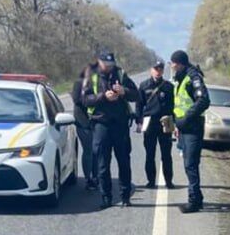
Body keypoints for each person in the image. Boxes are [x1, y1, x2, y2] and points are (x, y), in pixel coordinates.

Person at [79, 51, 139, 207]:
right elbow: (85, 100)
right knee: (102, 163)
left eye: (112, 64)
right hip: (101, 124)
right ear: (99, 62)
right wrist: (103, 96)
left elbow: (137, 95)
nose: (110, 67)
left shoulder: (121, 74)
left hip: (120, 124)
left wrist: (124, 91)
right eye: (107, 65)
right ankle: (106, 198)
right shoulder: (91, 77)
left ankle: (125, 196)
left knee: (124, 161)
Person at [169, 49, 209, 213]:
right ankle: (197, 198)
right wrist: (177, 125)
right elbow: (179, 104)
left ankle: (193, 201)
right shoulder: (180, 79)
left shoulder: (193, 77)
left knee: (190, 164)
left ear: (178, 63)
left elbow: (204, 100)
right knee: (188, 165)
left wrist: (186, 118)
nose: (171, 66)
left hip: (192, 127)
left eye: (172, 63)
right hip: (184, 128)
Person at [136, 61, 175, 189]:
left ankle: (168, 181)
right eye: (156, 69)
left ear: (163, 71)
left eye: (160, 69)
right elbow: (139, 105)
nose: (158, 71)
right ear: (151, 70)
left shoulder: (169, 86)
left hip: (165, 122)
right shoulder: (143, 85)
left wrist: (173, 123)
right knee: (150, 154)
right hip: (150, 123)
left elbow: (173, 106)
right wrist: (139, 121)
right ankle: (151, 181)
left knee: (166, 154)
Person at [70, 61, 99, 191]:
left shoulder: (99, 83)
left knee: (97, 151)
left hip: (97, 121)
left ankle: (97, 176)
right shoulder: (79, 83)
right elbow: (77, 100)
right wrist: (90, 96)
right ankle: (88, 178)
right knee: (88, 150)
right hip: (83, 123)